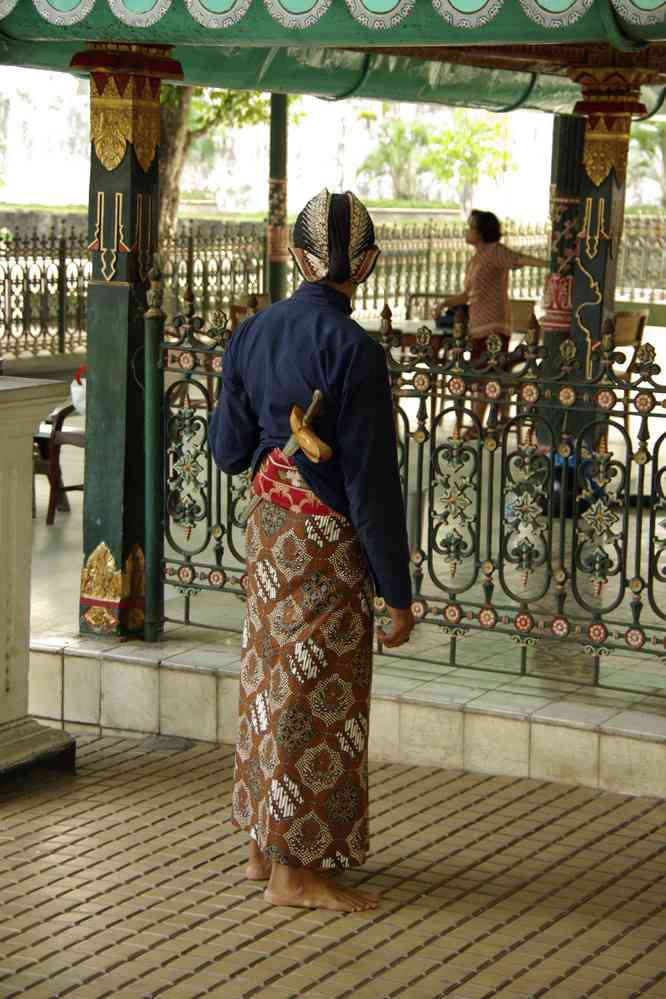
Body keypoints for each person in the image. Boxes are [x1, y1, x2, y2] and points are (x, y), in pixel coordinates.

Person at [208, 189, 415, 912]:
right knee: (313, 694)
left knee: (268, 681)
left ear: (296, 258)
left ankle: (261, 847)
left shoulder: (253, 331)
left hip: (270, 537)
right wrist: (398, 590)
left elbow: (228, 451)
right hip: (327, 545)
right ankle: (296, 871)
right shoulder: (356, 350)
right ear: (367, 265)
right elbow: (370, 484)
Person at [433, 210, 548, 435]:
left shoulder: (495, 251)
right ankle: (498, 421)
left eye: (471, 227)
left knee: (486, 376)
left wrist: (551, 265)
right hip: (477, 326)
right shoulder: (475, 259)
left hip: (494, 326)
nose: (467, 230)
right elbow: (467, 295)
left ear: (482, 231)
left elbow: (519, 259)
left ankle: (476, 425)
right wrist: (443, 304)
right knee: (487, 375)